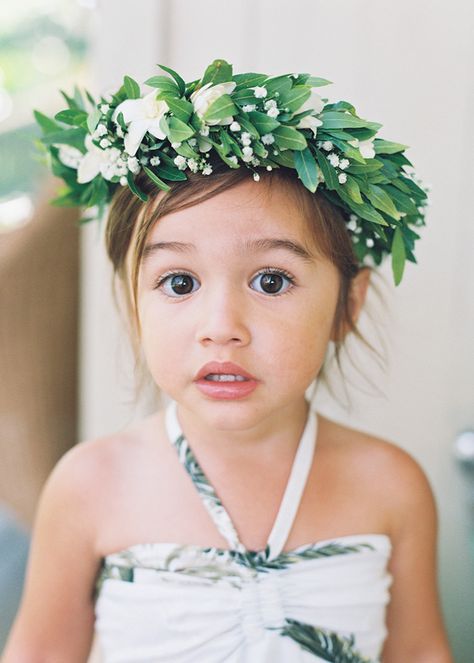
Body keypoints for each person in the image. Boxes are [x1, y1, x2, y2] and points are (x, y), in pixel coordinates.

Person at [3, 59, 453, 662]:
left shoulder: (391, 486)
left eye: (271, 280)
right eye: (180, 283)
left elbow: (421, 650)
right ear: (131, 301)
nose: (221, 329)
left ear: (348, 304)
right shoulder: (89, 486)